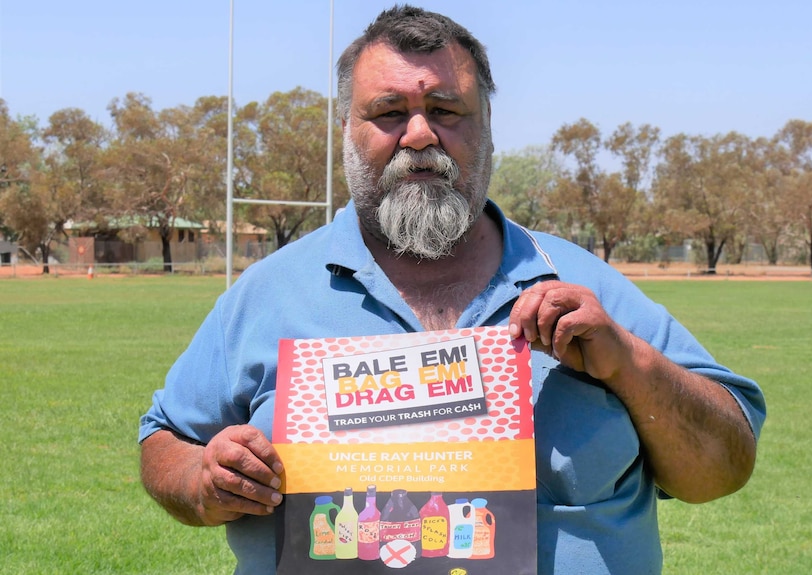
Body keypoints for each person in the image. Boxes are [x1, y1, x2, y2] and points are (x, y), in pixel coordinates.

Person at [139, 5, 765, 574]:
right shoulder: (268, 293)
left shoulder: (578, 283)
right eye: (388, 112)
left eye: (445, 110)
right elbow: (164, 437)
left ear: (486, 125)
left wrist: (630, 363)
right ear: (348, 130)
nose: (418, 135)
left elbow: (723, 467)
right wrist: (202, 477)